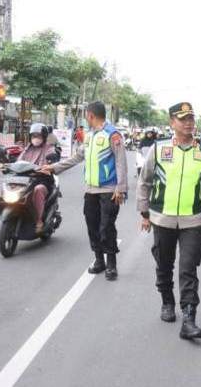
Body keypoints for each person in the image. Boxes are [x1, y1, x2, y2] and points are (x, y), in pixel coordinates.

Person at [137, 102, 201, 341]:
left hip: (192, 221)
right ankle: (167, 301)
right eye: (183, 119)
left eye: (191, 119)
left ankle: (189, 318)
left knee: (188, 269)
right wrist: (144, 212)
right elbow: (144, 181)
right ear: (172, 123)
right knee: (164, 265)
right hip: (162, 219)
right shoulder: (158, 148)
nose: (188, 123)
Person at [41, 102, 127, 281]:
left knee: (107, 228)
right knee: (92, 226)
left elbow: (121, 162)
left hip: (109, 190)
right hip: (91, 191)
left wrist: (121, 189)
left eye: (87, 115)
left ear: (91, 116)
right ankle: (99, 260)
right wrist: (54, 167)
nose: (86, 118)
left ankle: (111, 264)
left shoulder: (113, 135)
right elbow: (76, 158)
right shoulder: (89, 136)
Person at [18, 123, 59, 235]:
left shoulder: (48, 148)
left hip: (43, 180)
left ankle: (39, 221)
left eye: (38, 136)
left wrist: (49, 165)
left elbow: (53, 158)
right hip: (26, 180)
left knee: (38, 190)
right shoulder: (27, 149)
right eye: (33, 136)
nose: (35, 139)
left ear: (44, 137)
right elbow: (19, 161)